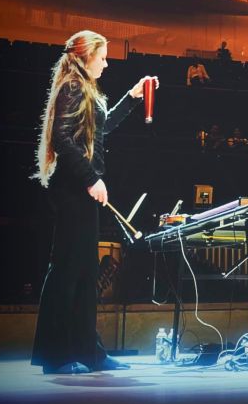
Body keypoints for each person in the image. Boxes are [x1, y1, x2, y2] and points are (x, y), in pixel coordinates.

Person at [32, 30, 159, 374]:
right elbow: (61, 137)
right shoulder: (72, 87)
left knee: (85, 275)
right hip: (74, 190)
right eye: (102, 57)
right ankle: (56, 357)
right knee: (68, 272)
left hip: (81, 190)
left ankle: (89, 352)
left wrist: (132, 98)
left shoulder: (85, 89)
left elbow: (102, 130)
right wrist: (91, 179)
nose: (105, 63)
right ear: (87, 57)